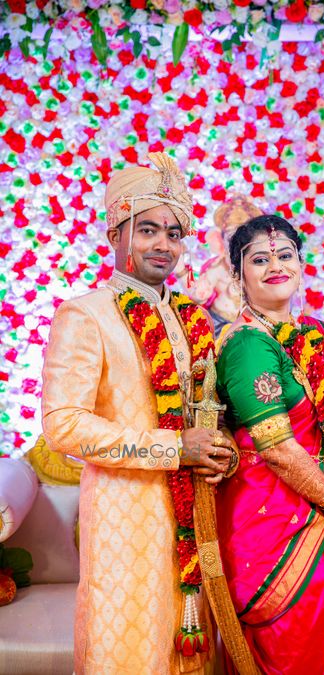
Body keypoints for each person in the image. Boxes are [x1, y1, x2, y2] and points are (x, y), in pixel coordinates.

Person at [41, 152, 232, 675]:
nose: (163, 245)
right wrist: (173, 447)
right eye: (148, 230)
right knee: (128, 650)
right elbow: (64, 424)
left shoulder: (193, 320)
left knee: (188, 650)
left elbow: (210, 415)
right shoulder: (85, 315)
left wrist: (221, 451)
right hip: (123, 518)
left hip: (194, 516)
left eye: (174, 233)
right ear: (115, 235)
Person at [215, 215, 324, 674]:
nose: (276, 266)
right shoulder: (247, 345)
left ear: (301, 264)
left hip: (322, 514)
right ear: (238, 275)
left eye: (285, 255)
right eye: (259, 259)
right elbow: (275, 448)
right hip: (270, 528)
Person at [174, 194, 262, 337]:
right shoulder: (219, 267)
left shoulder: (261, 266)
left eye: (243, 238)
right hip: (219, 324)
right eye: (231, 237)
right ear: (220, 239)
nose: (237, 243)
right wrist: (180, 270)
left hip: (253, 326)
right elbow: (198, 296)